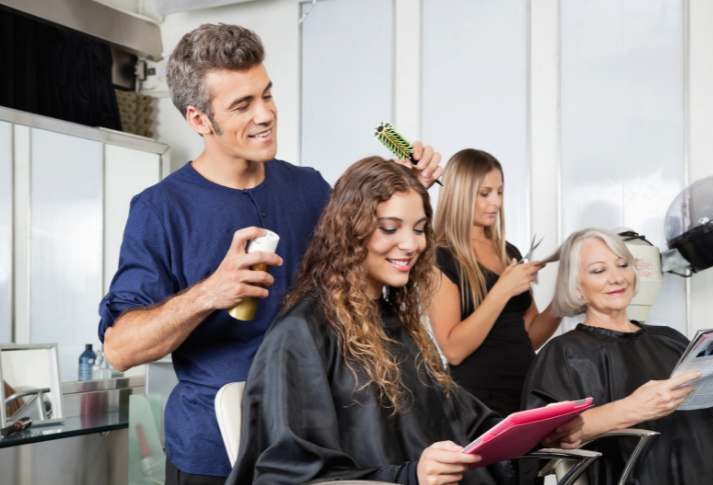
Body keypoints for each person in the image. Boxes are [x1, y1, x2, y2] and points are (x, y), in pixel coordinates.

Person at [97, 24, 442, 484]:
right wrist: (209, 294)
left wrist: (397, 190)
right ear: (199, 119)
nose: (265, 115)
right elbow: (119, 348)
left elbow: (363, 270)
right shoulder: (161, 209)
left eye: (267, 94)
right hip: (214, 454)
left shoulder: (309, 188)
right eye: (242, 105)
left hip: (312, 442)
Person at [226, 158, 583, 485]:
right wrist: (411, 476)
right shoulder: (302, 333)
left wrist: (536, 432)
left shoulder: (393, 322)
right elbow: (286, 473)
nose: (411, 244)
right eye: (390, 228)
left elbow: (459, 418)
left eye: (419, 229)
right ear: (351, 230)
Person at [522, 228, 713, 485]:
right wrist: (633, 408)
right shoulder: (564, 352)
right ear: (576, 287)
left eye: (622, 265)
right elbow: (547, 437)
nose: (617, 278)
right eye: (599, 270)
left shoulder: (671, 339)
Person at [428, 149, 561, 418]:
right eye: (485, 193)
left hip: (527, 393)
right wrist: (502, 290)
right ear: (460, 194)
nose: (497, 202)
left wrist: (564, 302)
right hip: (478, 403)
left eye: (499, 192)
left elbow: (530, 334)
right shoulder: (439, 258)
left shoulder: (508, 251)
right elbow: (453, 350)